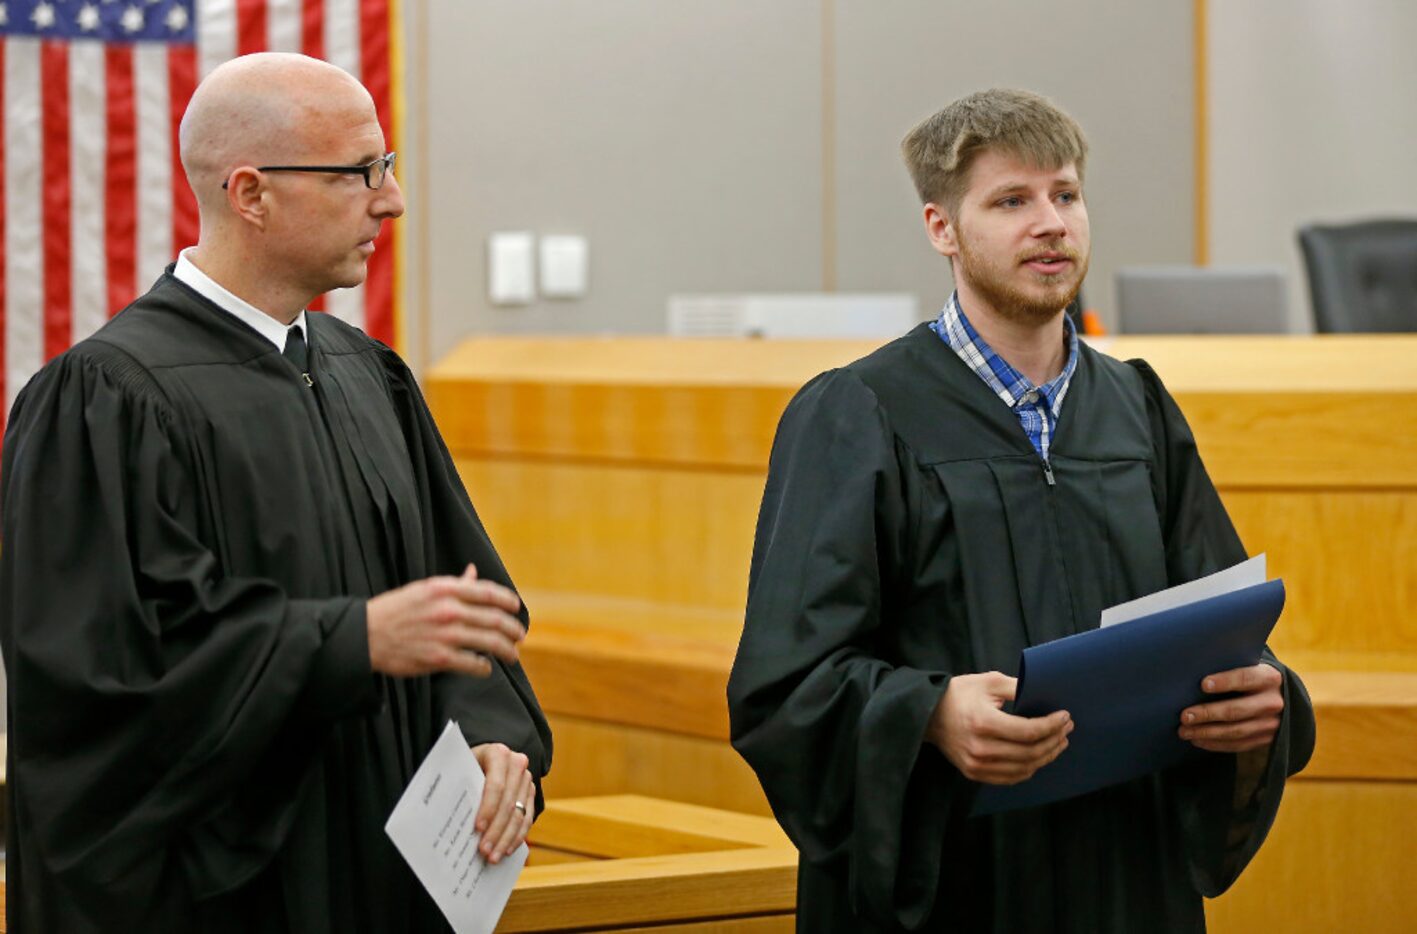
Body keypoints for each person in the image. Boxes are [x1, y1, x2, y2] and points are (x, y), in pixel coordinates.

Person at [726, 89, 1314, 933]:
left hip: (1125, 879)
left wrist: (1265, 700)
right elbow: (784, 685)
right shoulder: (857, 412)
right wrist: (924, 714)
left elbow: (1219, 627)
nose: (1050, 223)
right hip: (958, 886)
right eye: (1011, 201)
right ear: (942, 228)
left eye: (1064, 195)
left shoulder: (1138, 409)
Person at [0, 53, 551, 933]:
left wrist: (492, 738)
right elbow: (97, 677)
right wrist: (347, 640)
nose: (391, 200)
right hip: (227, 896)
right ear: (250, 193)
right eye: (358, 174)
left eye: (389, 165)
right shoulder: (109, 398)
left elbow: (460, 597)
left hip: (387, 877)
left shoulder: (367, 374)